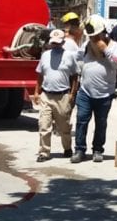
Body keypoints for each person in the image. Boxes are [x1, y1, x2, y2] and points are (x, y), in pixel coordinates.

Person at [71, 15, 117, 164]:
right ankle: (79, 150)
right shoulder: (87, 45)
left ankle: (98, 150)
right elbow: (78, 58)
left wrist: (105, 50)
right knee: (81, 120)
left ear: (103, 32)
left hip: (105, 93)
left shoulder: (113, 46)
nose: (93, 38)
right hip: (85, 92)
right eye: (91, 35)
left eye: (96, 35)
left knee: (101, 123)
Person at [33, 29, 79, 163]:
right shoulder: (45, 55)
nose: (56, 45)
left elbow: (75, 76)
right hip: (46, 95)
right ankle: (44, 152)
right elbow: (40, 75)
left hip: (63, 96)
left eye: (58, 43)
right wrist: (36, 92)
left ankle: (67, 148)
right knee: (44, 125)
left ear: (63, 43)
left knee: (64, 127)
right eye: (53, 43)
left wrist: (72, 93)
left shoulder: (69, 56)